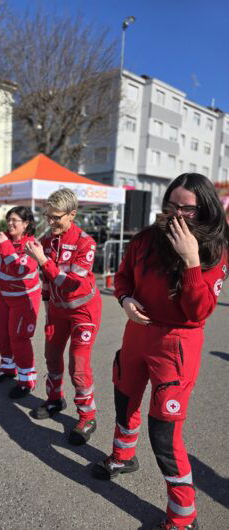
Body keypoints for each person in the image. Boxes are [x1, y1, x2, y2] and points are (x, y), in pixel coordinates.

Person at [92, 173, 229, 530]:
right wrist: (124, 300)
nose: (177, 215)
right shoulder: (145, 239)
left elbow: (199, 312)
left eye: (187, 209)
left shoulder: (214, 249)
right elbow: (122, 277)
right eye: (171, 206)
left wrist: (190, 261)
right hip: (137, 334)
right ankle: (122, 457)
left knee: (164, 436)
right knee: (124, 399)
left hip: (177, 345)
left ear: (204, 211)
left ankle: (183, 517)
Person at [25, 188, 102, 445]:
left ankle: (87, 416)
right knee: (52, 357)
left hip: (83, 311)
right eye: (48, 216)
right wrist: (47, 305)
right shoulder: (47, 241)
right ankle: (55, 399)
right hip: (57, 310)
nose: (50, 222)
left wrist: (42, 260)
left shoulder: (85, 242)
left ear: (72, 215)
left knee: (78, 367)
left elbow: (71, 284)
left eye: (56, 217)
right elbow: (48, 280)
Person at [0, 206, 41, 399]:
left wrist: (5, 246)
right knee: (0, 331)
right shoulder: (5, 241)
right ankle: (8, 368)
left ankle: (27, 380)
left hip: (24, 299)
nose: (10, 223)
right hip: (4, 296)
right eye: (8, 219)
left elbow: (20, 269)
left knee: (19, 338)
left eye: (15, 220)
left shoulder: (32, 245)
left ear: (26, 224)